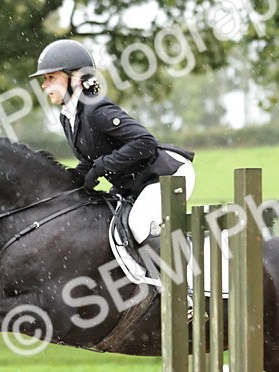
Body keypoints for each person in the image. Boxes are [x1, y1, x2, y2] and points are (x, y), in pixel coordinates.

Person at [32, 39, 195, 244]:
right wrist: (69, 180)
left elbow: (145, 141)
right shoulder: (67, 117)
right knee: (106, 223)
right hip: (134, 184)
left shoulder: (98, 109)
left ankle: (173, 274)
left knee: (138, 224)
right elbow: (91, 158)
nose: (44, 85)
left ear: (76, 79)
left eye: (51, 77)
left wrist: (100, 168)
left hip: (166, 176)